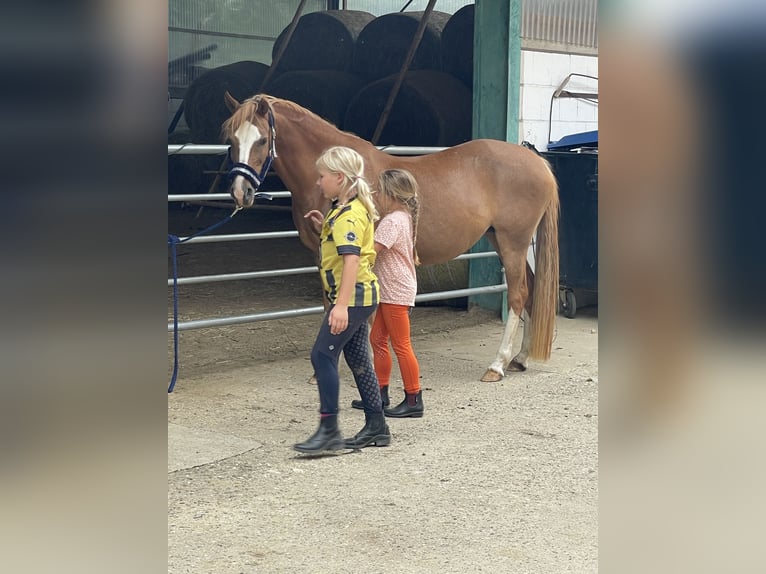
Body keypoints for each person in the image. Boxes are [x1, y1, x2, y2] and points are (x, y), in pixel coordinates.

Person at [294, 146, 391, 453]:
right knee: (358, 357)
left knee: (322, 356)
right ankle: (377, 426)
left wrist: (340, 306)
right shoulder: (346, 208)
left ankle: (329, 430)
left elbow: (351, 261)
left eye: (322, 176)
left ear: (339, 177)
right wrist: (325, 227)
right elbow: (352, 246)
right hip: (361, 296)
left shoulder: (348, 215)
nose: (318, 182)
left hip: (353, 298)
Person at [351, 169, 424, 417]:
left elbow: (372, 250)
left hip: (395, 290)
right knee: (378, 340)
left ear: (391, 194)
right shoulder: (402, 217)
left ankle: (413, 397)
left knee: (401, 344)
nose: (376, 195)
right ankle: (379, 395)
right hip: (389, 288)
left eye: (380, 191)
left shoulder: (393, 221)